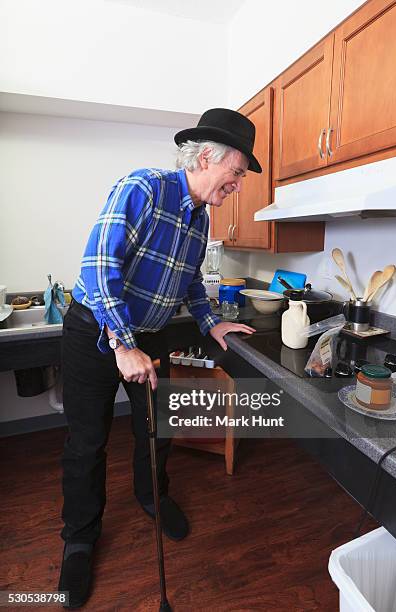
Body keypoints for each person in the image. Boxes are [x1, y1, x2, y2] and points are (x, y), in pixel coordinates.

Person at [58, 108, 262, 608]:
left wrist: (211, 320)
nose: (238, 183)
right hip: (94, 330)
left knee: (156, 426)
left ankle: (152, 496)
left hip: (145, 335)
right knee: (87, 441)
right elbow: (99, 264)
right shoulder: (144, 187)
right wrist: (122, 344)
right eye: (237, 172)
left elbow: (191, 281)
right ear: (208, 157)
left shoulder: (201, 215)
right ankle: (79, 538)